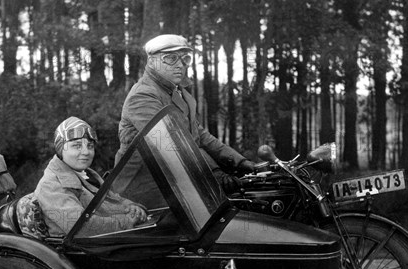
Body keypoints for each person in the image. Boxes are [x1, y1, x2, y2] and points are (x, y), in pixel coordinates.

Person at [114, 34, 254, 207]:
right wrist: (215, 172)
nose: (180, 65)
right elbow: (170, 144)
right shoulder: (143, 96)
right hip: (140, 192)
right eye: (171, 58)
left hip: (173, 181)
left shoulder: (179, 93)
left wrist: (241, 163)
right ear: (152, 62)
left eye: (185, 58)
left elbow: (201, 136)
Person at [32, 117, 147, 237]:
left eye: (90, 146)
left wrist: (131, 207)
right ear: (61, 149)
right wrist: (126, 221)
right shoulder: (50, 186)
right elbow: (82, 227)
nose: (86, 152)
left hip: (107, 240)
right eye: (77, 146)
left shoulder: (87, 175)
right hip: (85, 250)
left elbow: (112, 201)